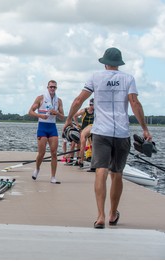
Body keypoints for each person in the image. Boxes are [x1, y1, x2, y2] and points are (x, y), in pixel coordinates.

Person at [63, 47, 152, 228]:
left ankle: (100, 216)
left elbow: (78, 100)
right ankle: (113, 214)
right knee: (117, 174)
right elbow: (135, 103)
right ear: (119, 63)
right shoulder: (128, 79)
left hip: (101, 132)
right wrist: (145, 129)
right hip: (121, 133)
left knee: (101, 172)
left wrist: (68, 120)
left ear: (104, 63)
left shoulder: (95, 77)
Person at [28, 80, 65, 184]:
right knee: (42, 153)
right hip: (42, 127)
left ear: (56, 88)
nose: (52, 89)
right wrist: (40, 116)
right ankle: (37, 168)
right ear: (47, 87)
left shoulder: (59, 101)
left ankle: (53, 177)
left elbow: (63, 117)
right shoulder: (41, 98)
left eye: (54, 87)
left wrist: (56, 113)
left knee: (54, 153)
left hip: (52, 127)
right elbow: (30, 111)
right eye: (51, 87)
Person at [74, 98, 95, 167]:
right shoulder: (84, 111)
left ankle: (93, 162)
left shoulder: (96, 111)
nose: (94, 107)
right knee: (82, 146)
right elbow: (75, 116)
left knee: (93, 145)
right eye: (93, 105)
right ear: (90, 105)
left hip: (92, 130)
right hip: (84, 130)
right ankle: (81, 160)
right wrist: (77, 124)